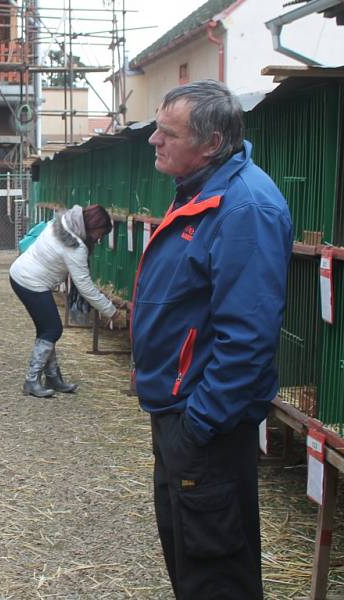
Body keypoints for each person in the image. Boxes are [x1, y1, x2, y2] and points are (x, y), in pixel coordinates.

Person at [132, 80, 293, 599]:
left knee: (215, 567)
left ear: (211, 142)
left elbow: (246, 338)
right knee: (189, 551)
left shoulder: (245, 209)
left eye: (167, 133)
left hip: (204, 422)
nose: (154, 141)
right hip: (181, 411)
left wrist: (199, 424)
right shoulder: (204, 192)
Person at [9, 204, 123, 398]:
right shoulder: (75, 247)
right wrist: (112, 312)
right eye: (99, 233)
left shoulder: (62, 222)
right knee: (53, 329)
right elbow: (85, 287)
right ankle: (31, 380)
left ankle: (53, 378)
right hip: (31, 282)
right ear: (91, 226)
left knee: (47, 330)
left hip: (21, 274)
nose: (99, 238)